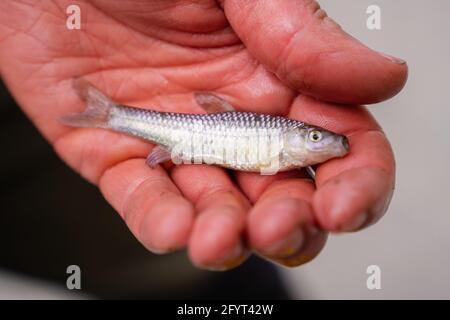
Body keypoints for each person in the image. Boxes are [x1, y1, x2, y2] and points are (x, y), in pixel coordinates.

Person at [0, 0, 407, 274]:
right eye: (317, 138)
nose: (324, 144)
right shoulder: (285, 147)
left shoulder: (288, 151)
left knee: (171, 268)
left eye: (317, 140)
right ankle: (110, 116)